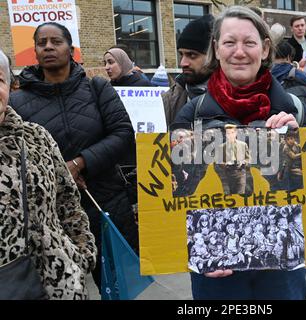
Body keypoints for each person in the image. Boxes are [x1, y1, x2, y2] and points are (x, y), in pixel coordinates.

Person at [173, 6, 306, 300]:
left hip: (281, 265)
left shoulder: (296, 109)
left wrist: (301, 143)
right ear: (216, 50)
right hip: (216, 266)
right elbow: (175, 195)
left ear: (265, 48)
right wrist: (195, 248)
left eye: (249, 42)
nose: (239, 52)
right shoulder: (190, 114)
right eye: (229, 42)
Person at [8, 22, 138, 291]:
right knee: (60, 287)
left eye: (56, 41)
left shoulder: (97, 88)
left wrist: (80, 163)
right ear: (34, 51)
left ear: (71, 50)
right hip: (51, 218)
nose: (48, 47)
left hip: (106, 203)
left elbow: (123, 133)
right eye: (41, 42)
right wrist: (58, 173)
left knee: (116, 285)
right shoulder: (17, 102)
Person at [0, 49, 96, 299]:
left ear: (10, 87)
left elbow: (68, 201)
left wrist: (81, 254)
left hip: (58, 286)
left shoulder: (37, 137)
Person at [162, 14, 215, 126]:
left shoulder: (238, 98)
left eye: (192, 55)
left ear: (214, 56)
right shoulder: (169, 100)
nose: (182, 63)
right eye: (181, 54)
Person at [271, 40, 306, 122]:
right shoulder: (299, 75)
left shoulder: (264, 77)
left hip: (274, 124)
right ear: (288, 57)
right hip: (301, 123)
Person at [215, 124, 250, 195]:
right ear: (225, 134)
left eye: (232, 133)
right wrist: (225, 165)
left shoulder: (243, 145)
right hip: (228, 172)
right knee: (231, 192)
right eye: (228, 133)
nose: (230, 135)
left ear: (236, 133)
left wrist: (243, 162)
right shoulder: (221, 147)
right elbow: (218, 160)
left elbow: (248, 158)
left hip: (240, 172)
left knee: (240, 192)